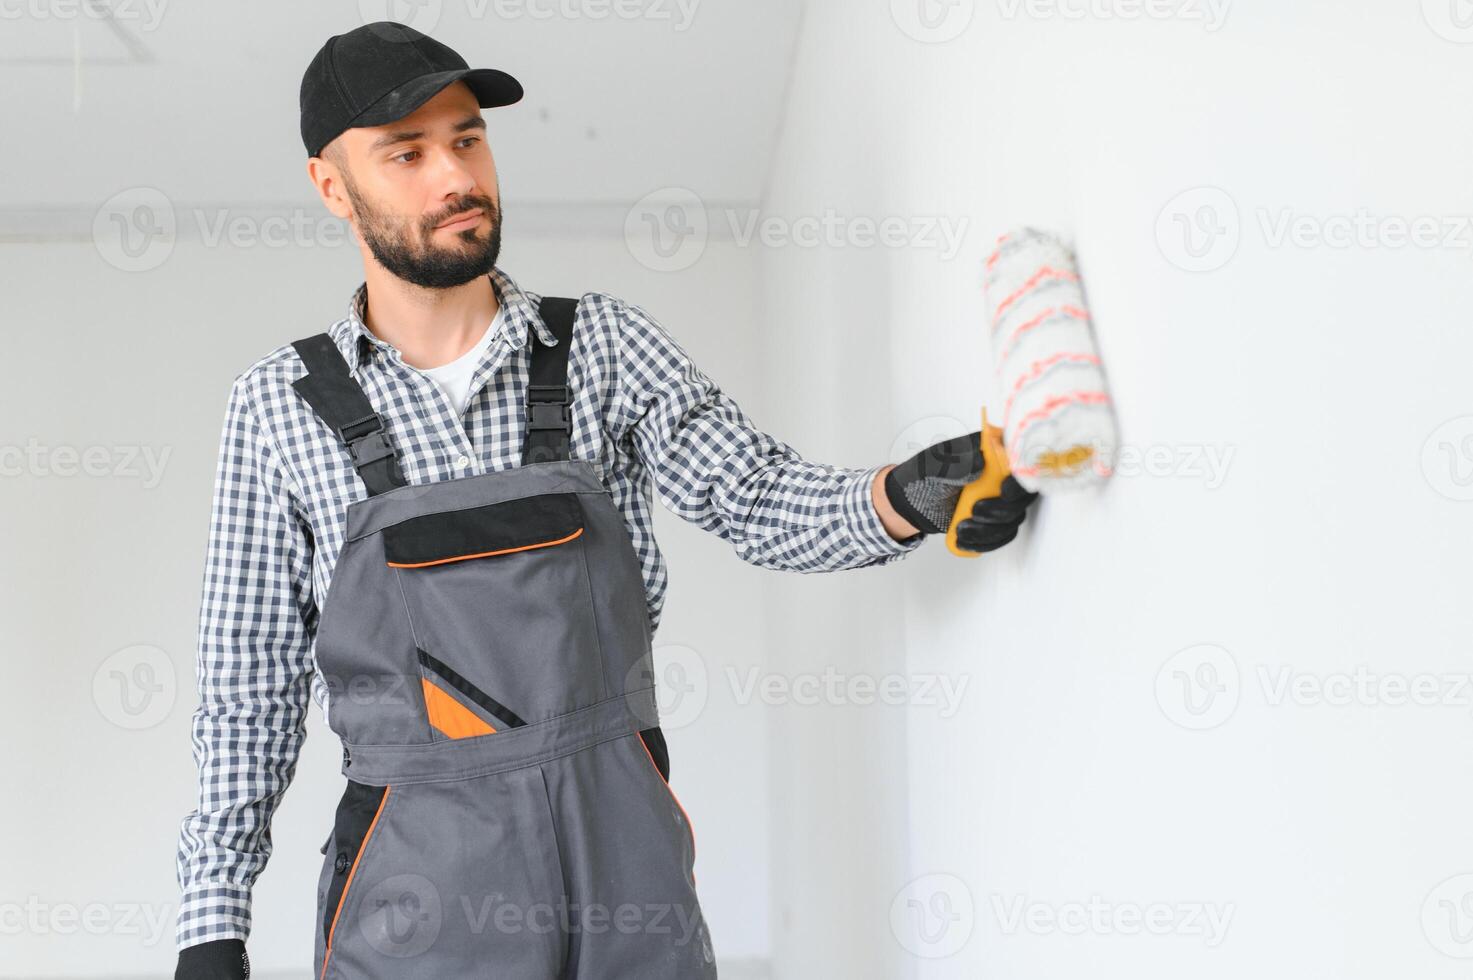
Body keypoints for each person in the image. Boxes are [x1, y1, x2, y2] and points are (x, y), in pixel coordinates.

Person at [172, 21, 1037, 980]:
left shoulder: (605, 349)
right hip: (414, 879)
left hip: (622, 848)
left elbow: (754, 495)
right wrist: (213, 924)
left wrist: (906, 495)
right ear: (332, 186)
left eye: (466, 139)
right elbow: (247, 687)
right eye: (405, 153)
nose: (453, 176)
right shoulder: (281, 406)